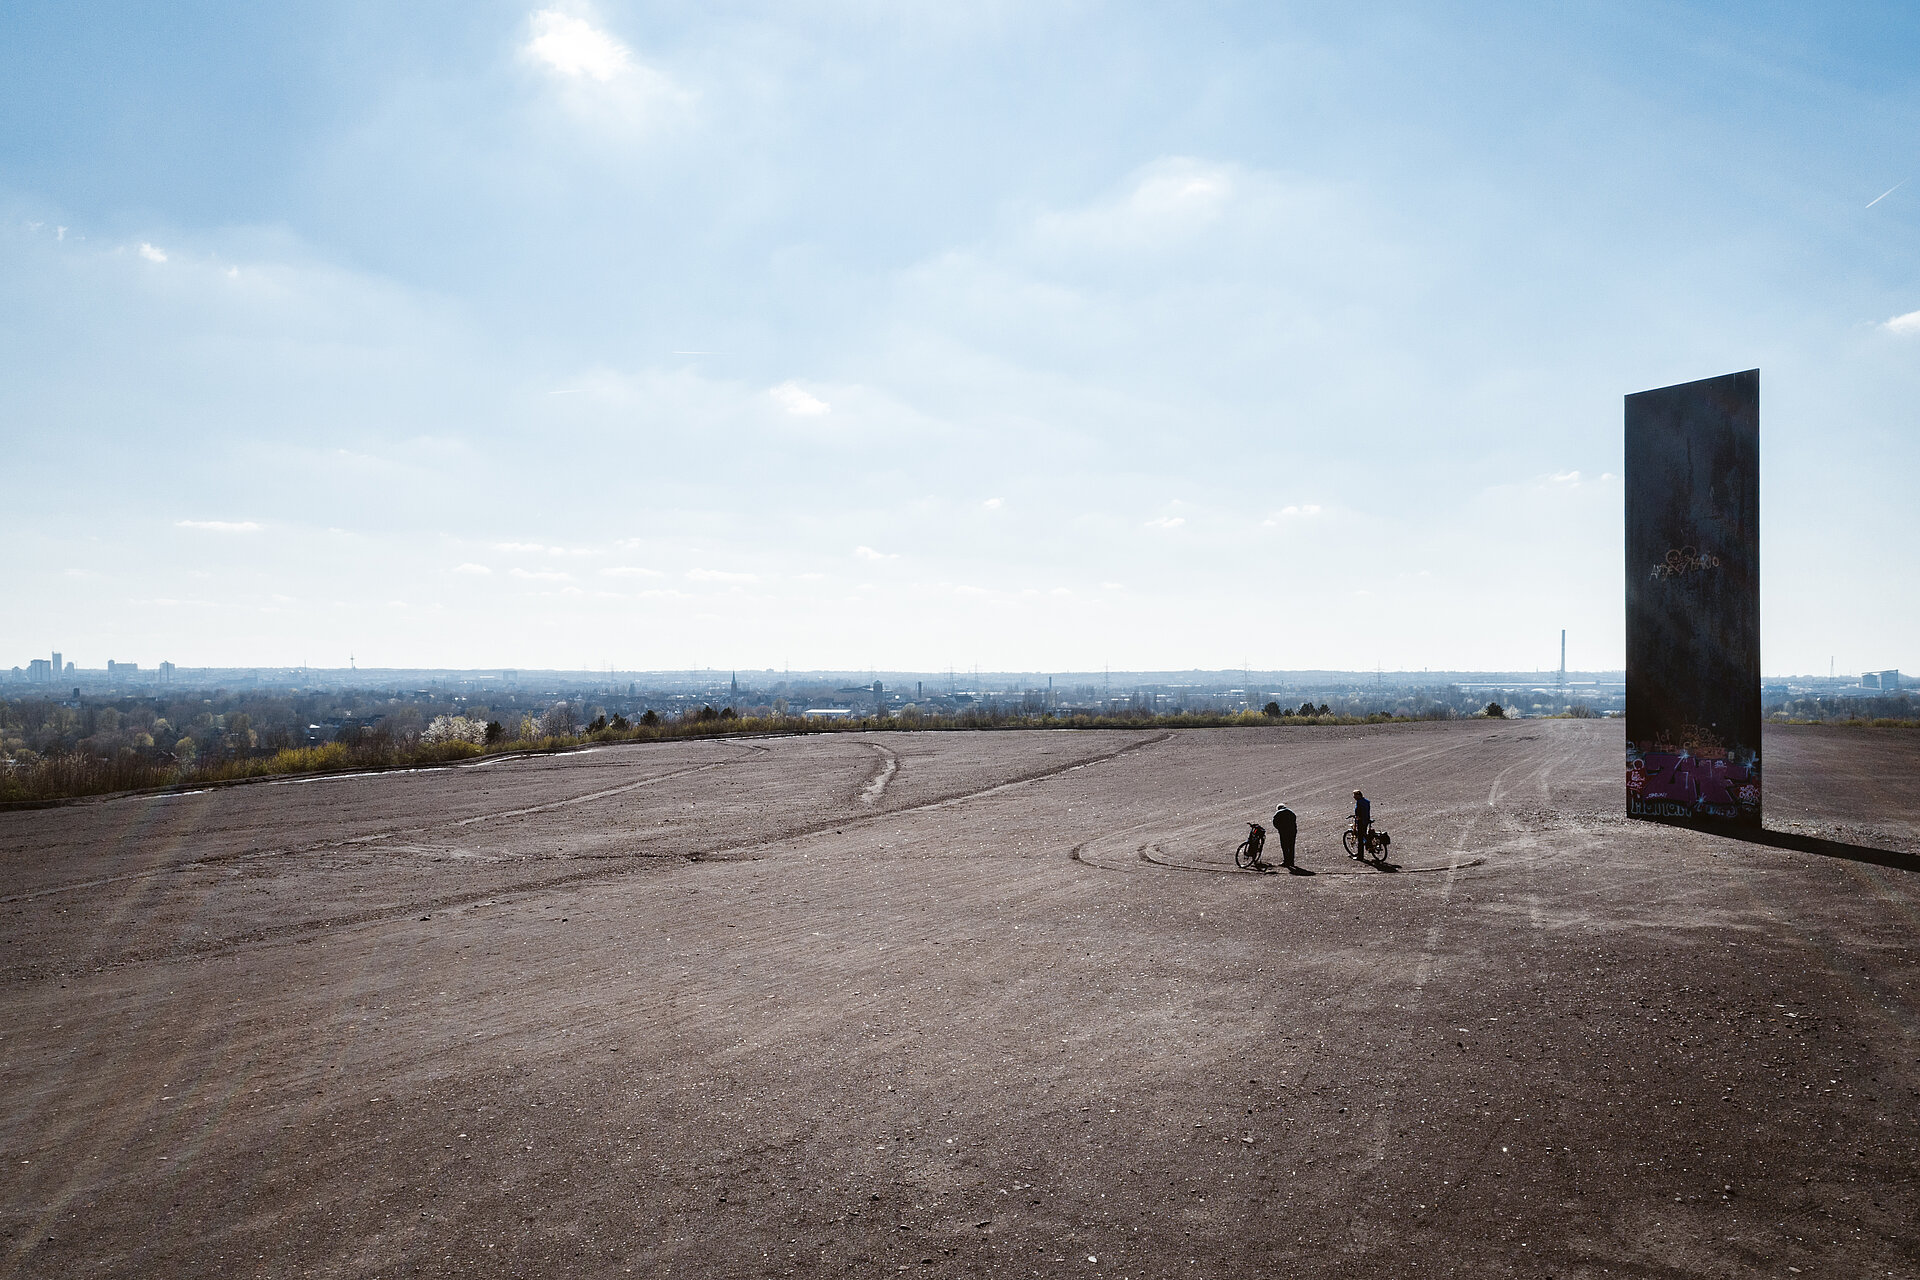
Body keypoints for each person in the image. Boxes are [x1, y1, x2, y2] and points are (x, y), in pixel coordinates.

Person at [1271, 803, 1297, 869]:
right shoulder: (1291, 812)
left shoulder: (1278, 813)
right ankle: (1291, 862)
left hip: (1284, 832)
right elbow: (1294, 819)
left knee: (1284, 846)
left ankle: (1286, 861)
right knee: (1291, 846)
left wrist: (1280, 828)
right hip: (1292, 831)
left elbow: (1275, 822)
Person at [1350, 789, 1371, 858]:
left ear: (1358, 795)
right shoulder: (1366, 801)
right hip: (1366, 820)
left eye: (1355, 795)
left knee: (1360, 838)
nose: (1354, 797)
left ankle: (1360, 856)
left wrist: (1357, 817)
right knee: (1365, 834)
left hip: (1361, 821)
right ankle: (1369, 845)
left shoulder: (1359, 802)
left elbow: (1358, 812)